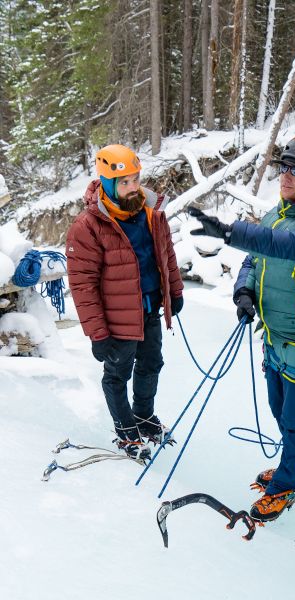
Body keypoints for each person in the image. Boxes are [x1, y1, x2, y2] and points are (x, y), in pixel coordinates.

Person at [188, 135, 295, 522]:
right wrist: (244, 290)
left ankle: (286, 485)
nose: (285, 177)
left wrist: (230, 232)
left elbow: (290, 247)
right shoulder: (278, 214)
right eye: (282, 168)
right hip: (274, 336)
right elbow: (256, 258)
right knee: (281, 412)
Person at [66, 144, 184, 460]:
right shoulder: (87, 227)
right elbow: (83, 286)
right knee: (118, 374)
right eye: (124, 182)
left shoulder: (151, 213)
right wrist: (98, 333)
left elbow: (166, 255)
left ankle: (144, 417)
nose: (133, 187)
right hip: (116, 320)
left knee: (151, 364)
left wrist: (175, 291)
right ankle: (125, 430)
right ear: (107, 183)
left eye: (134, 179)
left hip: (148, 310)